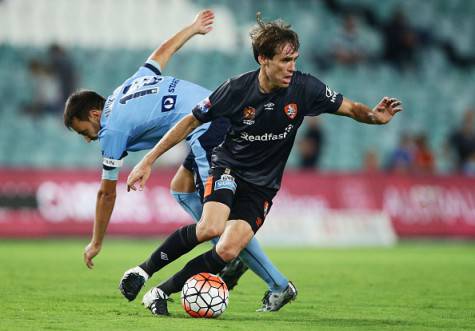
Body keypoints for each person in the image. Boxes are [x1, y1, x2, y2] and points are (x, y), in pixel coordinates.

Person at [125, 12, 403, 316]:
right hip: (229, 168)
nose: (291, 68)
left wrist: (376, 117)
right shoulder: (235, 90)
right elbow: (190, 121)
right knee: (210, 227)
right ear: (263, 59)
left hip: (263, 185)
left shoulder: (305, 88)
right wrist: (148, 160)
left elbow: (350, 108)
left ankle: (160, 293)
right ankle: (144, 270)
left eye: (294, 59)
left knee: (229, 250)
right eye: (284, 61)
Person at [62, 10, 293, 312]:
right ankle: (230, 255)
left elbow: (106, 192)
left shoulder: (111, 129)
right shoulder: (126, 89)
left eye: (85, 131)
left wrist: (96, 242)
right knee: (181, 189)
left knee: (219, 224)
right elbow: (161, 53)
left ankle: (275, 282)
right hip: (216, 120)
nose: (89, 138)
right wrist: (193, 28)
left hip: (209, 131)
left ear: (94, 114)